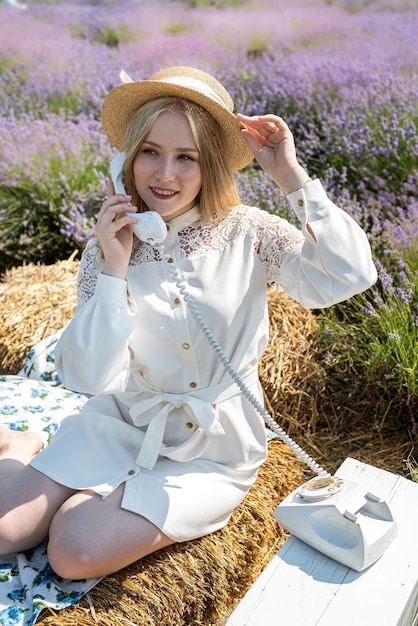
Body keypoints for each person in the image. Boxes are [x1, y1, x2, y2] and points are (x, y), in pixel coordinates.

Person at [0, 66, 377, 580]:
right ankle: (19, 447)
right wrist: (114, 266)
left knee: (73, 551)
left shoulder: (249, 231)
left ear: (212, 166)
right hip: (122, 422)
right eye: (150, 152)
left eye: (187, 158)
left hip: (214, 449)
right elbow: (88, 379)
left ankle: (80, 494)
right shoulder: (106, 250)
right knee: (4, 534)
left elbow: (347, 275)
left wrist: (290, 176)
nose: (164, 175)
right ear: (127, 159)